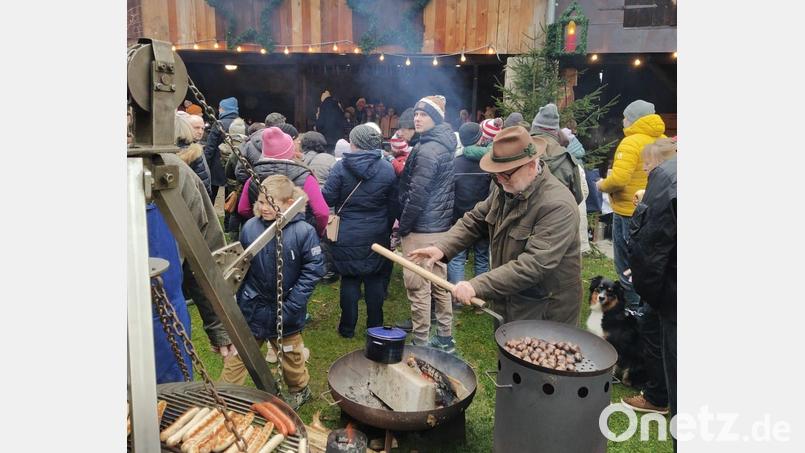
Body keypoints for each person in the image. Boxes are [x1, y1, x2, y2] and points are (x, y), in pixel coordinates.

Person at [409, 126, 582, 326]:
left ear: (531, 165)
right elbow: (475, 219)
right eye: (495, 175)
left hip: (545, 311)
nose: (499, 180)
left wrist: (476, 285)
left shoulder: (557, 205)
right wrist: (442, 247)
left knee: (531, 357)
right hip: (512, 301)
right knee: (506, 355)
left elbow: (534, 265)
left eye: (505, 175)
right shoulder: (506, 188)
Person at [220, 175, 324, 409]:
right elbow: (242, 266)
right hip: (253, 307)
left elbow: (313, 269)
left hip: (286, 307)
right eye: (261, 202)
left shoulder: (303, 232)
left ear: (288, 202)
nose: (264, 207)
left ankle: (299, 389)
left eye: (271, 202)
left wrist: (293, 304)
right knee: (238, 354)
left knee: (291, 355)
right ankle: (225, 395)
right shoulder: (250, 227)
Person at [323, 125, 398, 337]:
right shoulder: (387, 168)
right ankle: (375, 327)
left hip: (347, 232)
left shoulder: (340, 167)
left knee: (349, 280)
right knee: (374, 279)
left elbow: (327, 198)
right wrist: (386, 225)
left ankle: (347, 329)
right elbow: (393, 203)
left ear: (355, 143)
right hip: (376, 232)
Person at [397, 95, 457, 352]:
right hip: (440, 227)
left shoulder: (427, 149)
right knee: (440, 284)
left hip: (421, 228)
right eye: (416, 114)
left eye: (424, 115)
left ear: (436, 119)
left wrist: (404, 226)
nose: (417, 118)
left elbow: (417, 193)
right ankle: (445, 337)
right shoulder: (443, 143)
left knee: (418, 287)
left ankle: (420, 341)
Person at [595, 99, 666, 311]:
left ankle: (633, 309)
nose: (623, 121)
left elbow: (619, 179)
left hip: (628, 212)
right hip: (653, 211)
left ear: (633, 118)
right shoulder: (663, 141)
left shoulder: (631, 142)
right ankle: (648, 308)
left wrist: (601, 185)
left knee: (627, 264)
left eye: (625, 117)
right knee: (646, 262)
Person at [623, 138, 676, 417]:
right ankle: (660, 393)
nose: (644, 168)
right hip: (665, 280)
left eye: (647, 163)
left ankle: (659, 396)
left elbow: (654, 241)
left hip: (665, 288)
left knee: (660, 338)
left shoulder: (666, 182)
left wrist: (644, 278)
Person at [236, 127, 330, 238]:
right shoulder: (306, 178)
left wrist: (262, 222)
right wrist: (316, 232)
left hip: (263, 237)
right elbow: (322, 213)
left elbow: (243, 209)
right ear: (290, 151)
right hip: (298, 237)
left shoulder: (252, 178)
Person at [448, 122, 491, 308]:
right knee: (481, 257)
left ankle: (457, 301)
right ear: (479, 138)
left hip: (459, 218)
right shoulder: (488, 164)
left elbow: (449, 193)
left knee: (457, 257)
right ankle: (478, 301)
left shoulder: (454, 163)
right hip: (483, 218)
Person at [530, 103, 584, 204]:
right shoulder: (568, 160)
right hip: (558, 216)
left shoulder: (519, 151)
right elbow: (578, 198)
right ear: (556, 131)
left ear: (534, 127)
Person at [203, 96, 240, 202]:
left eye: (220, 108)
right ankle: (228, 218)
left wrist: (206, 165)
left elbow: (210, 148)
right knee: (230, 197)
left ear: (224, 109)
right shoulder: (242, 125)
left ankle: (209, 217)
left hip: (216, 166)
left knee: (211, 196)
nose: (219, 110)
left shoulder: (219, 124)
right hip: (233, 166)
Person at [175, 112, 212, 197]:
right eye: (196, 128)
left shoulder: (196, 146)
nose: (200, 132)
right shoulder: (193, 150)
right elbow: (202, 180)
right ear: (186, 127)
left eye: (202, 128)